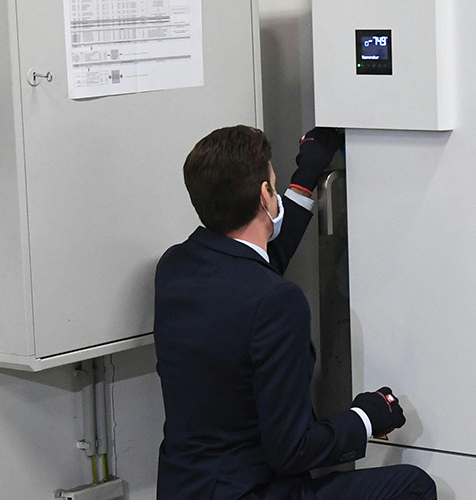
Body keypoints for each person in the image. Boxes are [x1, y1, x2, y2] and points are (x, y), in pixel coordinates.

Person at [153, 125, 437, 500]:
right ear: (264, 195)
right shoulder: (277, 301)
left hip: (186, 489)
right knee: (414, 487)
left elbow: (249, 267)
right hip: (252, 492)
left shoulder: (175, 267)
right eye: (273, 185)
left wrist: (306, 179)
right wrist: (367, 417)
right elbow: (291, 450)